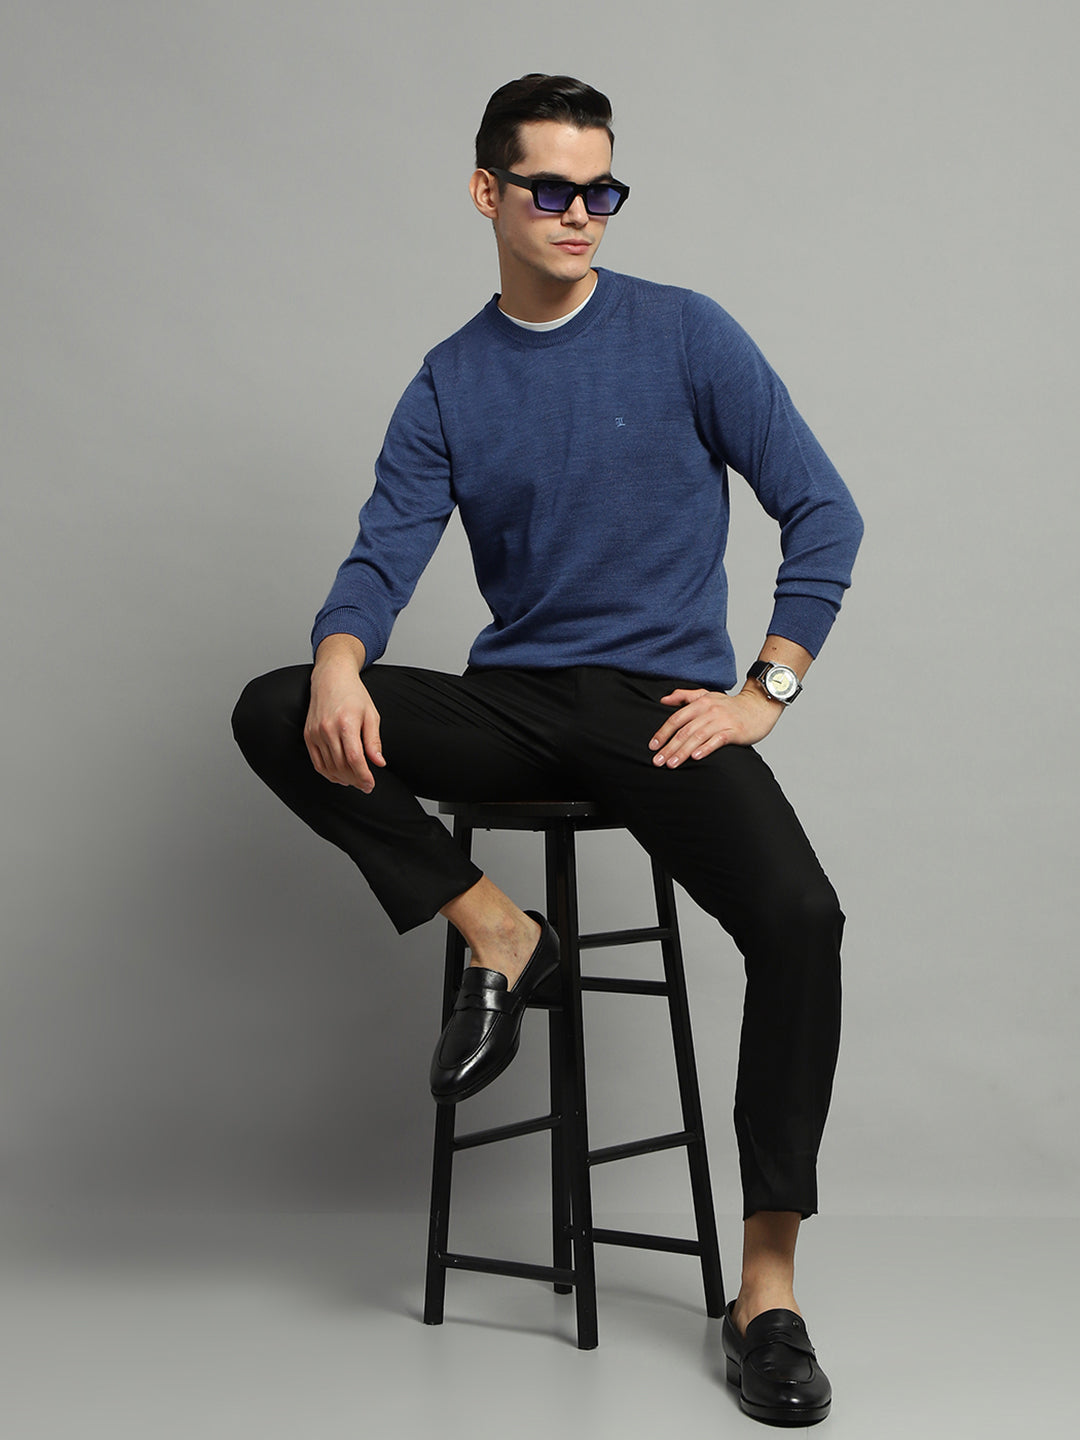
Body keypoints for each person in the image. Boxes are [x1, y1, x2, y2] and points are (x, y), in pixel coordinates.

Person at [232, 73, 862, 1427]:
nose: (582, 213)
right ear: (489, 193)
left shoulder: (686, 334)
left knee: (801, 920)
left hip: (657, 709)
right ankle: (501, 931)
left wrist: (764, 690)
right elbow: (385, 551)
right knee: (275, 705)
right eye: (553, 189)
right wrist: (339, 655)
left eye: (603, 190)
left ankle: (765, 1291)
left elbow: (825, 512)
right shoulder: (451, 379)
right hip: (515, 704)